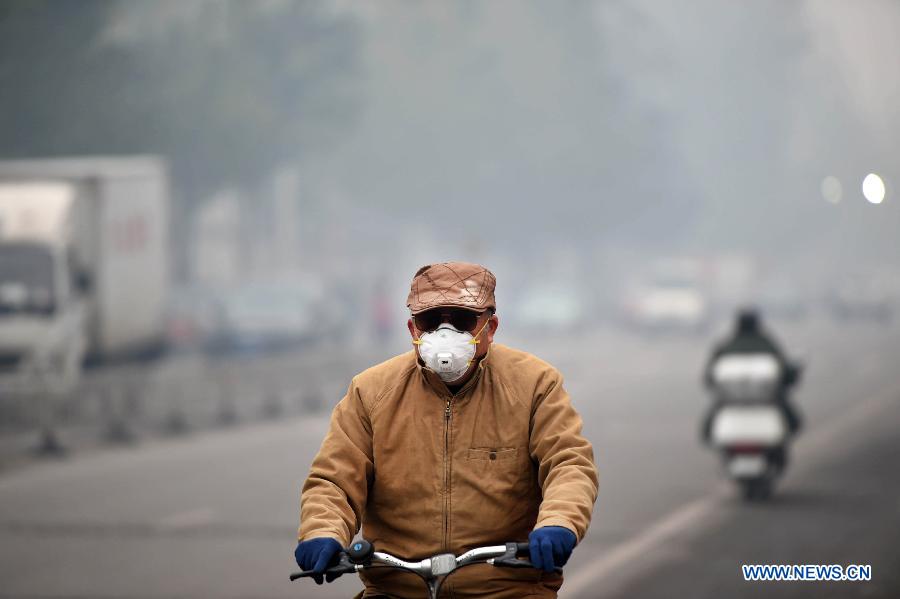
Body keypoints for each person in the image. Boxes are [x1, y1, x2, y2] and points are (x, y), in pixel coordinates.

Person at [294, 262, 599, 598]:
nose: (445, 333)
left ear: (490, 327)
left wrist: (559, 523)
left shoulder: (535, 385)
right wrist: (322, 531)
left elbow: (569, 465)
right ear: (412, 328)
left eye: (462, 320)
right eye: (431, 321)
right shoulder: (370, 391)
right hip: (396, 590)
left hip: (505, 588)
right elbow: (335, 479)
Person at [701, 308, 802, 443]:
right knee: (788, 414)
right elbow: (785, 372)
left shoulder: (726, 345)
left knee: (714, 416)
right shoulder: (767, 344)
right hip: (767, 399)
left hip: (731, 400)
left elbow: (709, 377)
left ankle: (708, 433)